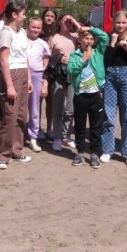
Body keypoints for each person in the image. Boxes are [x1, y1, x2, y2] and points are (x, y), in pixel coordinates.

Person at [0, 1, 32, 170]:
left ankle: (16, 150)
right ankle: (2, 155)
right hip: (12, 75)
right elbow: (4, 60)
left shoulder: (22, 32)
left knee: (21, 116)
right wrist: (9, 86)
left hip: (23, 73)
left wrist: (29, 79)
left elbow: (25, 58)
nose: (25, 17)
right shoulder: (6, 33)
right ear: (15, 15)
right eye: (23, 14)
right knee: (10, 117)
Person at [101, 11, 127, 167]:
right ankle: (107, 150)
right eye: (118, 22)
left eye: (124, 23)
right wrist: (112, 44)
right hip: (110, 76)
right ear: (114, 23)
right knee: (108, 114)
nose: (121, 26)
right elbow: (104, 62)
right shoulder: (107, 38)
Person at [67, 24, 109, 169]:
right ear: (80, 40)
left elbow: (105, 37)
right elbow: (71, 69)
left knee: (96, 126)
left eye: (91, 38)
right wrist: (84, 59)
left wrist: (90, 27)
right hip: (80, 95)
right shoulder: (75, 55)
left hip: (96, 94)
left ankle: (95, 153)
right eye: (86, 38)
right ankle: (79, 152)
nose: (89, 41)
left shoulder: (98, 52)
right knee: (79, 125)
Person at [48, 14, 80, 152]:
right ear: (59, 21)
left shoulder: (75, 37)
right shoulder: (53, 38)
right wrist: (59, 59)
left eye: (69, 21)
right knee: (58, 107)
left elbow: (86, 34)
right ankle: (57, 137)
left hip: (73, 75)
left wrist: (74, 21)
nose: (67, 22)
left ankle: (67, 136)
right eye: (65, 20)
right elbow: (47, 57)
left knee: (70, 108)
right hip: (59, 75)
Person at [26, 17, 50, 153]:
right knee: (21, 107)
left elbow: (45, 63)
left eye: (38, 28)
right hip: (22, 74)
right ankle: (18, 135)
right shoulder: (21, 40)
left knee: (35, 108)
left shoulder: (43, 44)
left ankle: (33, 136)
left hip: (37, 75)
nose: (35, 30)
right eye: (33, 27)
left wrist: (44, 81)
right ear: (27, 27)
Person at [40, 9, 58, 139]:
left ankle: (50, 128)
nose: (49, 18)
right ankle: (38, 128)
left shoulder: (57, 32)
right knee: (38, 101)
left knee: (51, 101)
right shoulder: (37, 30)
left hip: (52, 70)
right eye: (47, 15)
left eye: (52, 16)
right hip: (39, 69)